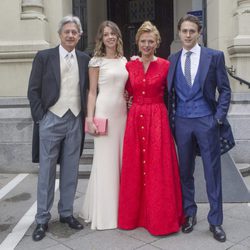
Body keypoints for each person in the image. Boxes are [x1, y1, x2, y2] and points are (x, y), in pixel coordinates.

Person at [167, 14, 235, 242]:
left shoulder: (213, 57)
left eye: (192, 31)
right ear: (179, 33)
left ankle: (215, 221)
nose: (187, 35)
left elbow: (225, 90)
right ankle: (189, 214)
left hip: (207, 120)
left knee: (212, 173)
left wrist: (217, 118)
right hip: (182, 123)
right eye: (184, 31)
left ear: (199, 33)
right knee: (185, 172)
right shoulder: (172, 59)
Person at [27, 15, 90, 241]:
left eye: (75, 32)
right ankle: (42, 219)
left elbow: (89, 90)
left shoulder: (84, 59)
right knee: (46, 171)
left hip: (75, 119)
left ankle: (66, 213)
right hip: (50, 118)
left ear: (80, 35)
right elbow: (33, 90)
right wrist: (41, 118)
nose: (71, 35)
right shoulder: (44, 57)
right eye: (67, 32)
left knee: (71, 169)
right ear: (60, 34)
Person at [118, 21, 183, 236]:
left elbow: (174, 92)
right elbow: (125, 91)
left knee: (158, 167)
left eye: (151, 41)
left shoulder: (166, 65)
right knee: (135, 166)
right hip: (135, 117)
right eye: (143, 41)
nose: (147, 45)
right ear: (137, 42)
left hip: (157, 118)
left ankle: (160, 218)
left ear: (157, 43)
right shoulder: (129, 66)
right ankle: (136, 217)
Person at [79, 21, 128, 230]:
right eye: (106, 34)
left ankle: (121, 209)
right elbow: (92, 92)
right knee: (105, 162)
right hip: (104, 112)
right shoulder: (96, 61)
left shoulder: (125, 60)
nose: (110, 37)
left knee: (120, 161)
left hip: (123, 114)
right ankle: (105, 213)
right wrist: (89, 118)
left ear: (118, 37)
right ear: (101, 38)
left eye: (113, 34)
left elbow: (127, 87)